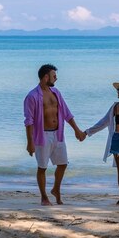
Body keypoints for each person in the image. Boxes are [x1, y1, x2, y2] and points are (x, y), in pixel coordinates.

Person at [24, 64, 86, 206]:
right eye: (54, 75)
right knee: (42, 167)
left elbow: (66, 113)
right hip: (42, 136)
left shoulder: (56, 92)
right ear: (46, 77)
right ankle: (44, 197)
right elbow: (29, 121)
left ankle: (56, 189)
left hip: (57, 134)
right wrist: (30, 142)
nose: (56, 78)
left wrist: (77, 130)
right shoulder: (32, 96)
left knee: (63, 164)